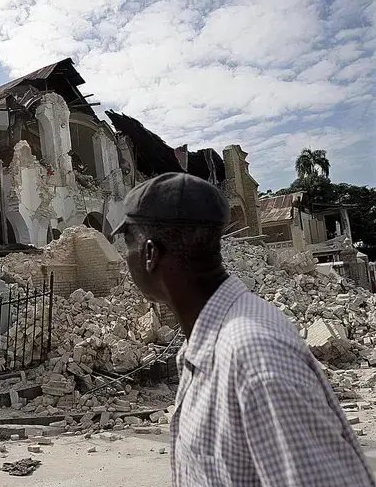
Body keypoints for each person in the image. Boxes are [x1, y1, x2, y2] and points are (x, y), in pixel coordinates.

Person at [112, 172, 375, 487]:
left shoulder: (254, 357)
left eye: (128, 241)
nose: (124, 255)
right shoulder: (210, 343)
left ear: (150, 254)